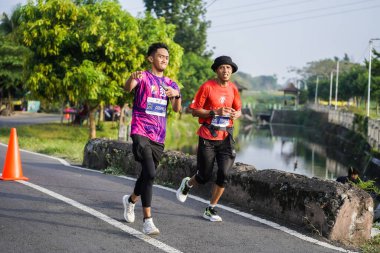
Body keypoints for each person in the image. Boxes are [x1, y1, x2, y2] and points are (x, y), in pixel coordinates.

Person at [122, 42, 181, 235]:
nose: (164, 59)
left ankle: (130, 200)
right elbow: (128, 88)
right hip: (140, 130)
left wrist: (176, 95)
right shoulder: (143, 76)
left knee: (147, 174)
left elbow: (176, 109)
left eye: (166, 57)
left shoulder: (170, 84)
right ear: (151, 58)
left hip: (159, 136)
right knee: (151, 173)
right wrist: (132, 77)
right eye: (160, 56)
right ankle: (148, 220)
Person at [176, 55, 242, 222]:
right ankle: (188, 184)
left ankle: (211, 208)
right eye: (222, 67)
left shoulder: (233, 89)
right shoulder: (207, 87)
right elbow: (194, 110)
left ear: (232, 70)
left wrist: (236, 113)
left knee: (224, 173)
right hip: (207, 136)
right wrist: (215, 112)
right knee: (204, 176)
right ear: (216, 70)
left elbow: (239, 110)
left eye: (228, 67)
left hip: (226, 136)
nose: (225, 70)